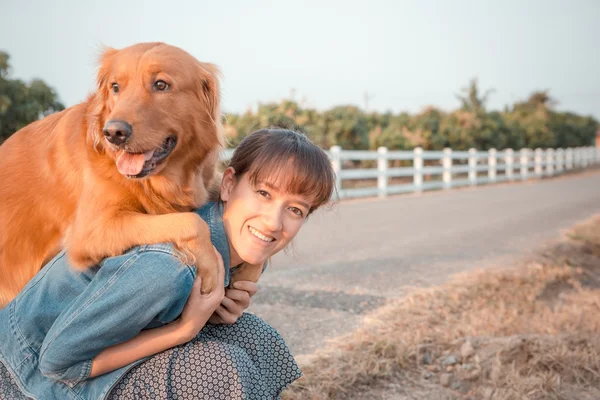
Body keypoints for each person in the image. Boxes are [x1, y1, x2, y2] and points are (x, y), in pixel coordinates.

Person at [0, 128, 336, 400]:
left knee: (259, 341)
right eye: (264, 193)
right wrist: (185, 329)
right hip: (23, 377)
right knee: (218, 372)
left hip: (71, 360)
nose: (274, 222)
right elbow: (58, 362)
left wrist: (220, 305)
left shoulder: (232, 247)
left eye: (295, 210)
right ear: (230, 184)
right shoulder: (171, 263)